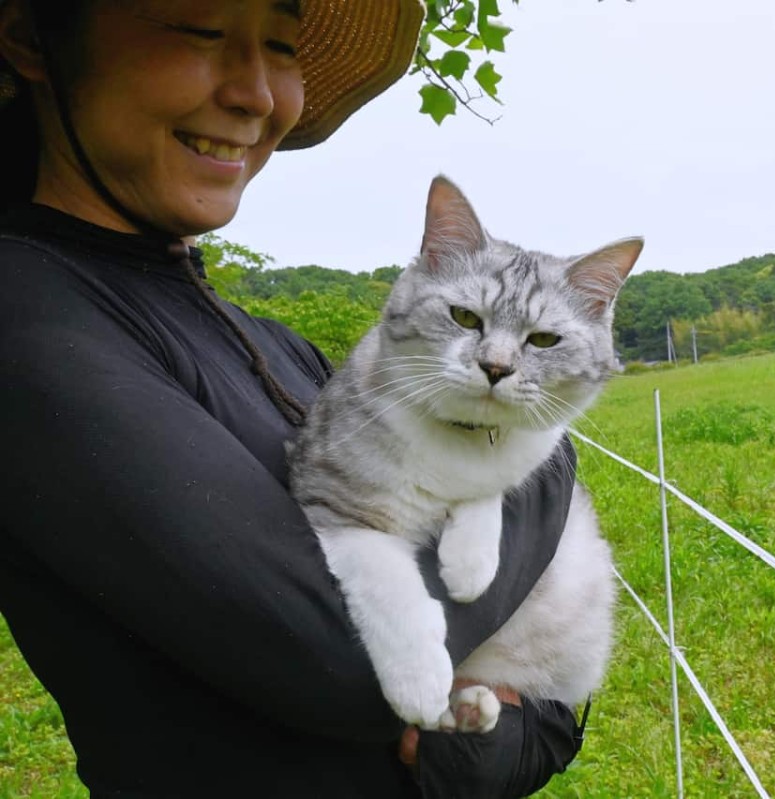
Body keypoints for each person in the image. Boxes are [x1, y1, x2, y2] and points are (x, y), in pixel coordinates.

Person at [0, 0, 585, 796]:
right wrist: (546, 452)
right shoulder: (31, 321)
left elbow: (531, 680)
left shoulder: (274, 341)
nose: (258, 94)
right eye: (200, 31)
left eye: (281, 47)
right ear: (32, 35)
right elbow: (342, 658)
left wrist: (510, 737)